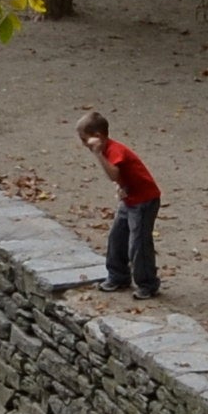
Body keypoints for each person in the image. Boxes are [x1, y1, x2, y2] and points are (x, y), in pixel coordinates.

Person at [75, 108, 160, 297]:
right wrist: (121, 187)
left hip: (144, 201)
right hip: (129, 199)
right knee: (117, 237)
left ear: (97, 136)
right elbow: (120, 177)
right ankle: (118, 275)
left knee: (139, 243)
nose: (83, 144)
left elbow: (113, 173)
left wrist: (98, 154)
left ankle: (148, 283)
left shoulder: (114, 150)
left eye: (84, 139)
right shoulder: (108, 150)